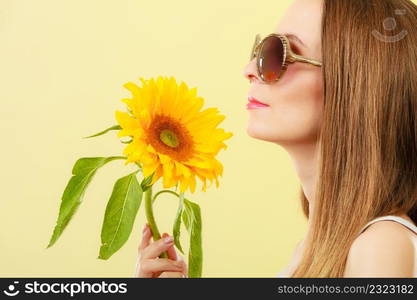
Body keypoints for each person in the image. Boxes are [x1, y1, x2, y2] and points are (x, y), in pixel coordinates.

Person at [135, 0, 417, 278]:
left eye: (277, 54)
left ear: (356, 85)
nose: (249, 69)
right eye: (259, 50)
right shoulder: (312, 250)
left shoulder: (380, 245)